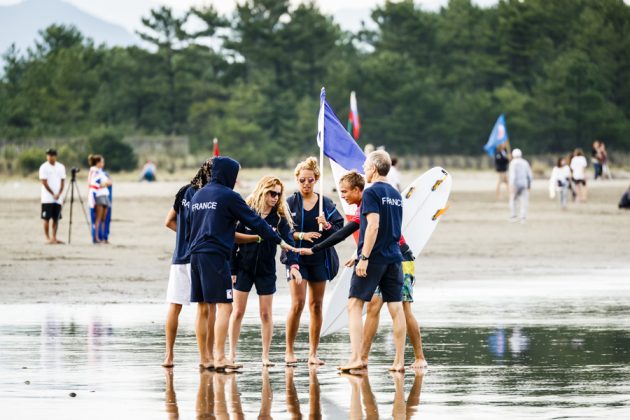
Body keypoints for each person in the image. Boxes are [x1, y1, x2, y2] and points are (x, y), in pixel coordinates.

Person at [300, 170, 427, 369]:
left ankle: (418, 357)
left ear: (358, 191)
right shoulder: (383, 198)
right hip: (388, 257)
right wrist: (319, 249)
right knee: (376, 307)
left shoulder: (370, 198)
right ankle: (367, 358)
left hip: (398, 258)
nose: (342, 196)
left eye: (345, 192)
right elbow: (348, 231)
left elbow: (375, 229)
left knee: (400, 307)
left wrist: (363, 257)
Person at [187, 156, 295, 371]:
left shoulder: (198, 195)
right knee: (226, 306)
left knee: (202, 307)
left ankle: (205, 358)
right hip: (215, 255)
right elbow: (255, 222)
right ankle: (219, 357)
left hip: (195, 254)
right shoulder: (229, 196)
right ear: (229, 174)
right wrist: (280, 241)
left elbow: (191, 225)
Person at [338, 150, 406, 372]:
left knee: (354, 305)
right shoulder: (396, 194)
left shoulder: (370, 193)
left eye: (366, 167)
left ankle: (356, 358)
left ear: (374, 169)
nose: (364, 171)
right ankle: (399, 362)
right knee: (396, 308)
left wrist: (363, 257)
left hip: (375, 258)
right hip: (395, 258)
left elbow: (373, 226)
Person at [228, 176, 301, 367]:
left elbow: (288, 243)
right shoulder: (246, 212)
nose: (275, 197)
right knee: (237, 312)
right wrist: (232, 269)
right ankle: (231, 353)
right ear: (262, 191)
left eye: (278, 194)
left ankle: (265, 356)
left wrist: (294, 265)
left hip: (266, 270)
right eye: (272, 193)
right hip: (243, 268)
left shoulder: (279, 218)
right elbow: (231, 242)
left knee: (266, 314)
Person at [285, 157, 344, 366]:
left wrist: (326, 225)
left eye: (310, 180)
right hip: (297, 259)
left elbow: (340, 231)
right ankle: (289, 351)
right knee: (298, 304)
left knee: (316, 306)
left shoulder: (325, 203)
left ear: (316, 179)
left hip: (320, 258)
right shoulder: (290, 203)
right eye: (302, 180)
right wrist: (302, 235)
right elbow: (281, 233)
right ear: (297, 180)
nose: (306, 184)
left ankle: (313, 353)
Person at [162, 160, 213, 368]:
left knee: (175, 307)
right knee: (204, 308)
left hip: (179, 257)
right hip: (199, 257)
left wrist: (185, 236)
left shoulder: (184, 191)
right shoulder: (209, 195)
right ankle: (205, 357)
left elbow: (169, 221)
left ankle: (168, 356)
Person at [39, 148, 66, 244]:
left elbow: (63, 181)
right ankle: (47, 237)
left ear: (55, 156)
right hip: (47, 198)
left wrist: (59, 193)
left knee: (56, 218)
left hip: (58, 198)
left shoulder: (61, 167)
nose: (50, 157)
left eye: (52, 155)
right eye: (48, 155)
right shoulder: (43, 167)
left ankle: (54, 237)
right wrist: (53, 194)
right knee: (46, 218)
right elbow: (44, 182)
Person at [88, 155, 113, 243]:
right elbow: (96, 184)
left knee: (104, 218)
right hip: (99, 196)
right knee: (98, 218)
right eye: (102, 162)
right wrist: (105, 184)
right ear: (98, 163)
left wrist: (105, 184)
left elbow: (109, 182)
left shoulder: (101, 172)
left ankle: (103, 237)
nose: (103, 163)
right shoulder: (94, 172)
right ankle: (96, 237)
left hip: (105, 195)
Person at [508, 148, 533, 222]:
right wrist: (529, 184)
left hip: (515, 185)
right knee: (524, 201)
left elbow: (512, 175)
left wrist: (511, 185)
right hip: (524, 184)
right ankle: (523, 217)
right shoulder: (525, 162)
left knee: (513, 200)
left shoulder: (513, 163)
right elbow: (529, 175)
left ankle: (514, 216)